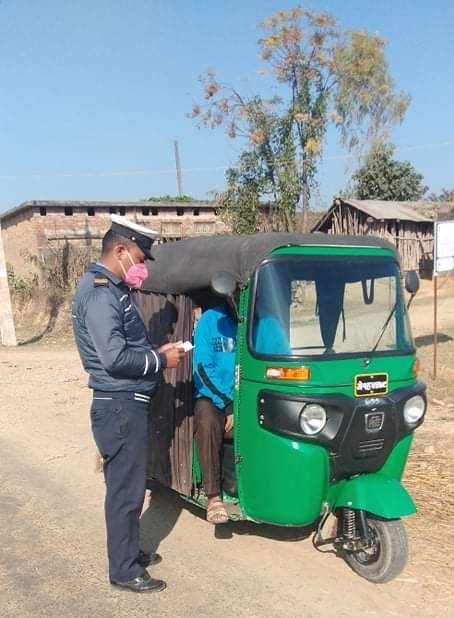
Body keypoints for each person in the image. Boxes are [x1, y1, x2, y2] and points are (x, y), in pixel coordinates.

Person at [72, 215, 185, 593]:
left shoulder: (114, 290)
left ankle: (128, 551)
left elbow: (128, 349)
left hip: (125, 403)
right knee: (125, 490)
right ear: (119, 250)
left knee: (130, 487)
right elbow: (115, 358)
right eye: (138, 257)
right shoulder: (102, 292)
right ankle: (123, 570)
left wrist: (156, 351)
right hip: (119, 406)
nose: (140, 266)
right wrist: (160, 361)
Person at [192, 302, 237, 524]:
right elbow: (202, 367)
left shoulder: (263, 319)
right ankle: (213, 496)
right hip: (214, 396)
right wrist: (228, 404)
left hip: (248, 395)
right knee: (207, 420)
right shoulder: (210, 320)